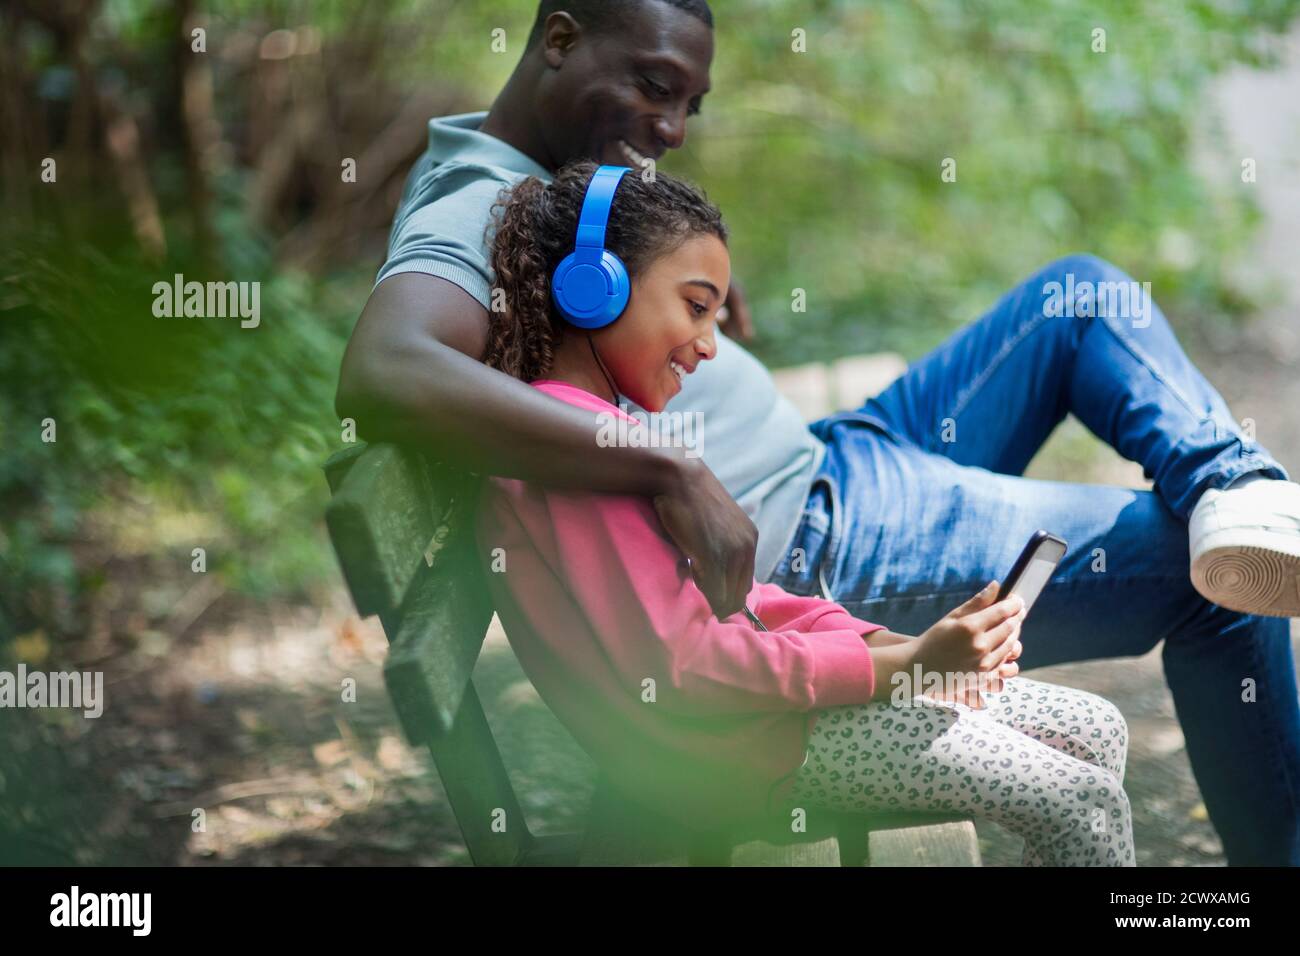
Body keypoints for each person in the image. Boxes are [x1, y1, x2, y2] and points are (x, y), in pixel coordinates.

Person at [335, 0, 1300, 864]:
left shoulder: (551, 189)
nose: (669, 128)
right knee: (1215, 578)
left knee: (1078, 296)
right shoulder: (470, 205)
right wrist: (667, 468)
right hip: (807, 540)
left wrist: (664, 262)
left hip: (834, 466)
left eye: (688, 107)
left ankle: (1238, 479)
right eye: (653, 86)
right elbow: (386, 370)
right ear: (558, 39)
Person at [476, 160, 1135, 865]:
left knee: (1097, 729)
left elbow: (746, 606)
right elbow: (687, 666)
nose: (708, 344)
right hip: (738, 753)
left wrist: (889, 646)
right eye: (696, 307)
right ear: (594, 288)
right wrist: (907, 666)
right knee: (1083, 802)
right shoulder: (575, 452)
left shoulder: (591, 433)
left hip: (769, 723)